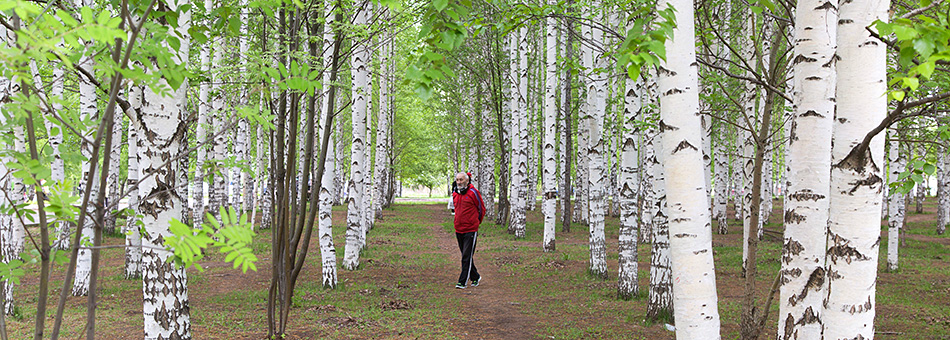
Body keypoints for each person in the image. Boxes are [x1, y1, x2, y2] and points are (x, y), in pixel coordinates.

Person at [451, 171, 485, 289]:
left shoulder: (473, 193)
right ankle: (475, 277)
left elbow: (482, 209)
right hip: (459, 229)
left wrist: (476, 222)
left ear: (467, 180)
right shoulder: (455, 193)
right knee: (466, 254)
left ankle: (462, 281)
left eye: (461, 180)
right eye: (457, 180)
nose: (459, 182)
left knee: (466, 256)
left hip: (470, 229)